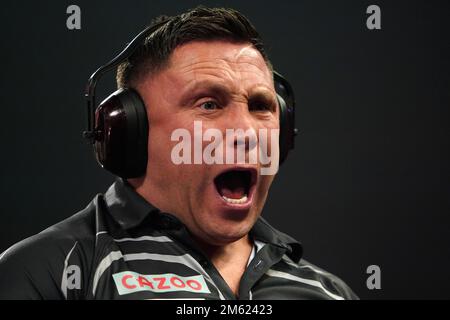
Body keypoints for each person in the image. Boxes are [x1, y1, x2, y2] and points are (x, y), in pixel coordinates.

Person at [0, 6, 357, 300]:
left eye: (260, 105)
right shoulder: (50, 271)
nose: (247, 133)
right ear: (129, 132)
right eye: (209, 104)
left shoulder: (329, 292)